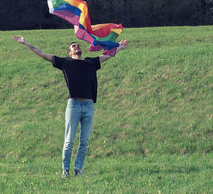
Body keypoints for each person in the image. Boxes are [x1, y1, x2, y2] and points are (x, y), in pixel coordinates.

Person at [13, 35, 128, 178]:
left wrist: (119, 47)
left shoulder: (90, 62)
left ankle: (78, 170)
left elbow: (107, 56)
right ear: (69, 52)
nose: (77, 46)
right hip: (73, 105)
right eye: (73, 46)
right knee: (69, 140)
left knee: (84, 142)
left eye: (78, 45)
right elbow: (42, 54)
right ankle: (65, 170)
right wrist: (25, 43)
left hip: (88, 105)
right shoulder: (65, 63)